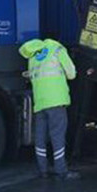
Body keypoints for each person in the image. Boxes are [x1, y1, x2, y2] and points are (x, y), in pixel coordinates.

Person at [19, 38, 80, 180]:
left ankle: (43, 170)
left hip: (40, 102)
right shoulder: (57, 49)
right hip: (56, 100)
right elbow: (71, 74)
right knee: (57, 136)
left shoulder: (33, 55)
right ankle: (61, 171)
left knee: (40, 137)